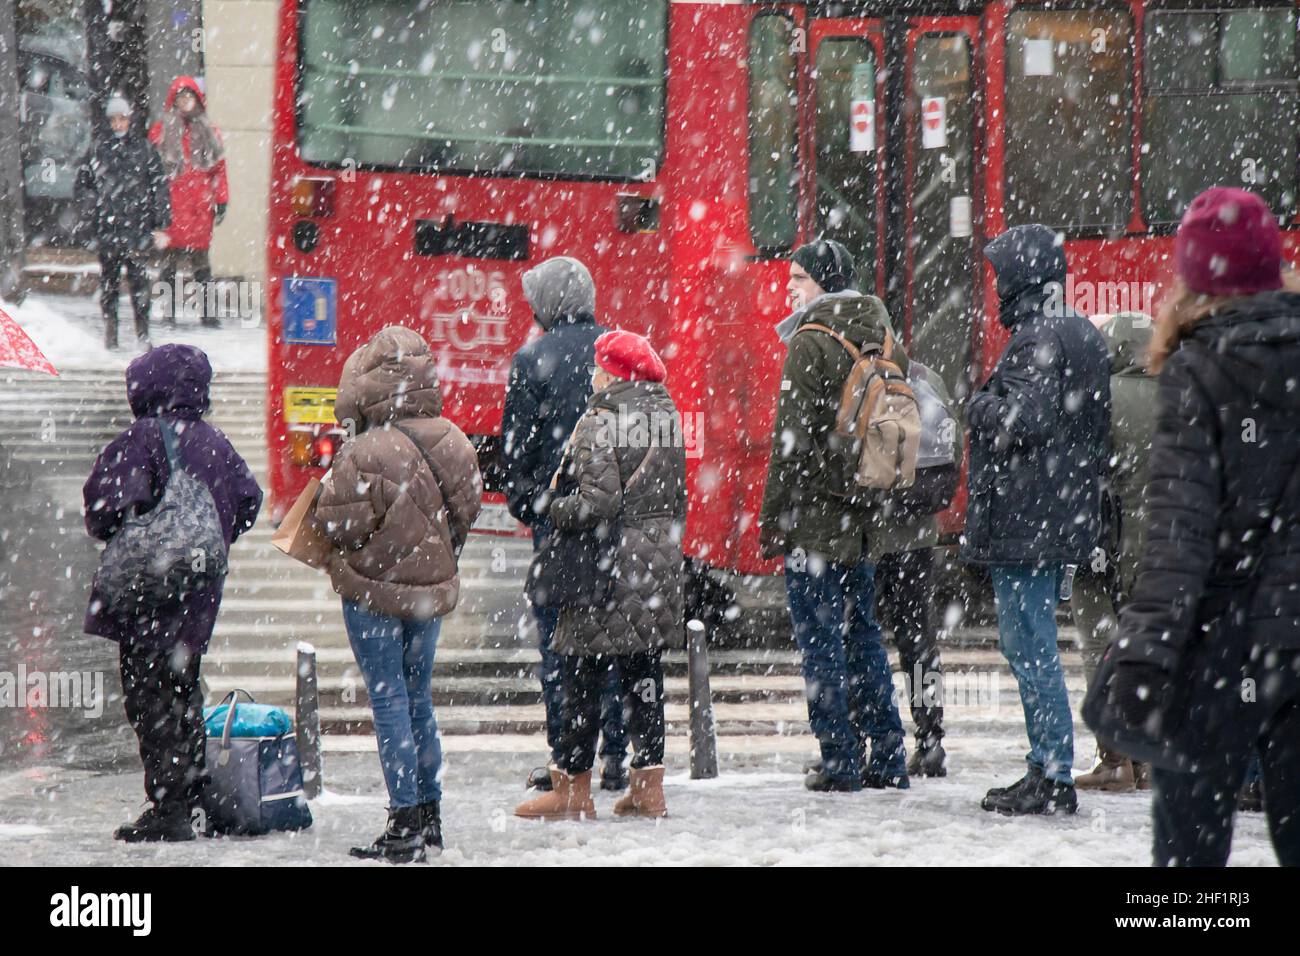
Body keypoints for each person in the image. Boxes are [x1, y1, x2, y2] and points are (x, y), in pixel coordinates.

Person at [1110, 187, 1300, 867]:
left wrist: (1145, 651)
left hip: (1216, 650)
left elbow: (1179, 534)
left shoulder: (1198, 369)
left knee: (1190, 864)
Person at [315, 326, 482, 863]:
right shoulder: (454, 439)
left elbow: (338, 526)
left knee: (387, 699)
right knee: (418, 696)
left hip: (371, 593)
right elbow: (468, 509)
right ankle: (430, 816)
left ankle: (403, 821)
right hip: (429, 594)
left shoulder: (364, 449)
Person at [83, 344, 262, 841]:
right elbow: (249, 500)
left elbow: (103, 511)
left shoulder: (139, 439)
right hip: (198, 592)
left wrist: (144, 535)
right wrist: (208, 535)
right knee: (183, 688)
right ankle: (192, 793)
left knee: (147, 696)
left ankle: (171, 807)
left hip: (149, 594)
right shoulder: (217, 442)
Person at [963, 224, 1110, 816]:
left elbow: (1022, 421)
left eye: (1002, 275)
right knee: (1035, 641)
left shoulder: (1035, 339)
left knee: (1029, 644)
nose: (996, 287)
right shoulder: (1081, 332)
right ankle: (1046, 769)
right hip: (1060, 514)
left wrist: (977, 402)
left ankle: (1050, 774)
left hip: (1028, 520)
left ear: (1023, 276)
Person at [759, 239, 916, 792]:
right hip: (865, 515)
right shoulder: (883, 334)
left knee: (820, 640)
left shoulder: (812, 338)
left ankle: (840, 760)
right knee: (865, 636)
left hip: (816, 520)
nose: (790, 288)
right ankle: (890, 756)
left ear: (823, 282)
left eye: (799, 278)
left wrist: (772, 520)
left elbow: (790, 443)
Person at [514, 330, 687, 821]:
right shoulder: (666, 415)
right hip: (656, 562)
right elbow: (674, 497)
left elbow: (598, 503)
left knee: (580, 674)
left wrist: (554, 507)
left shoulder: (601, 420)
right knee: (644, 675)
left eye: (598, 368)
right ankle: (648, 791)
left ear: (613, 373)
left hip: (606, 565)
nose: (592, 375)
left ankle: (572, 789)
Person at [501, 256, 629, 793]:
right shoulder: (617, 353)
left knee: (560, 645)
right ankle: (616, 755)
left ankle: (566, 757)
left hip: (559, 526)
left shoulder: (532, 360)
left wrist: (535, 506)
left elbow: (517, 458)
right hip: (619, 525)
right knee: (616, 639)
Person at [1069, 312, 1156, 793]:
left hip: (1105, 539)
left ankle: (1114, 758)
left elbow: (1084, 474)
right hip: (1166, 543)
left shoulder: (1102, 398)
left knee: (1100, 645)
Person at [76, 96, 170, 350]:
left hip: (136, 227)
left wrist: (160, 223)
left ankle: (143, 333)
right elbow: (85, 188)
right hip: (110, 229)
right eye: (113, 119)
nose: (118, 124)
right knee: (110, 286)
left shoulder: (144, 149)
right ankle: (111, 333)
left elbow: (158, 186)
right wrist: (91, 220)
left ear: (130, 119)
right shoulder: (98, 149)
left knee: (140, 284)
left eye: (122, 118)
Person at [149, 76, 228, 328]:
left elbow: (219, 169)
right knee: (169, 264)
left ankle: (208, 313)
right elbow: (152, 168)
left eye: (189, 97)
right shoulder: (162, 130)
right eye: (181, 98)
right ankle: (168, 312)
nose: (185, 102)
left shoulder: (208, 130)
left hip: (199, 207)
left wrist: (222, 199)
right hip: (172, 203)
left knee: (201, 264)